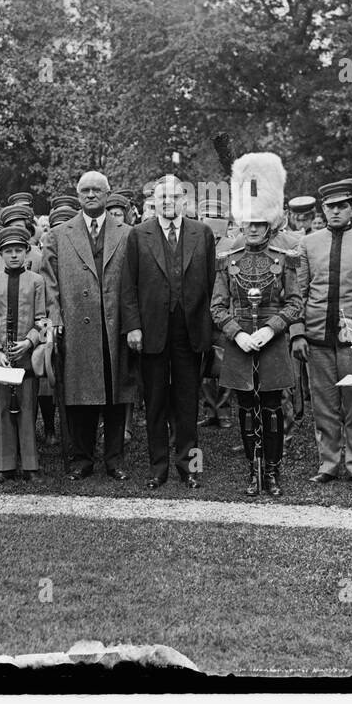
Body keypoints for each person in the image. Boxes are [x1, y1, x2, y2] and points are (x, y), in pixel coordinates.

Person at [210, 152, 302, 496]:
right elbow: (217, 308)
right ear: (240, 224)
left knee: (273, 412)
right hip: (239, 347)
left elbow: (296, 303)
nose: (252, 229)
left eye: (259, 224)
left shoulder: (285, 260)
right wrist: (237, 334)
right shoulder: (226, 260)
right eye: (248, 223)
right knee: (247, 412)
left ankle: (274, 472)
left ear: (271, 225)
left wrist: (269, 328)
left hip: (273, 344)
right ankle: (254, 471)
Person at [289, 180, 352, 486]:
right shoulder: (307, 244)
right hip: (316, 338)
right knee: (324, 404)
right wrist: (297, 332)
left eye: (341, 206)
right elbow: (297, 292)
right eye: (329, 207)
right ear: (323, 209)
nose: (334, 211)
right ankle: (329, 463)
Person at [122, 174, 217, 490]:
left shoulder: (201, 234)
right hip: (151, 331)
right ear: (153, 203)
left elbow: (211, 283)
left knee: (189, 402)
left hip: (190, 331)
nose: (168, 203)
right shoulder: (138, 235)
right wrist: (133, 326)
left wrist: (208, 326)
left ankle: (191, 468)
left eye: (174, 197)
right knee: (156, 401)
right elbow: (128, 287)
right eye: (162, 198)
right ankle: (157, 468)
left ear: (184, 201)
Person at [41, 170, 137, 481]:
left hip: (114, 326)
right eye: (85, 190)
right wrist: (55, 318)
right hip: (77, 327)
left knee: (115, 395)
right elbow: (49, 282)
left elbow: (135, 281)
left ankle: (114, 459)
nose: (91, 195)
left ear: (108, 196)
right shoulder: (60, 234)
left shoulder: (127, 233)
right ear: (78, 194)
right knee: (79, 396)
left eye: (97, 190)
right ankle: (81, 458)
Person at [0, 225, 48, 483]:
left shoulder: (36, 281)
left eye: (19, 250)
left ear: (27, 252)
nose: (14, 256)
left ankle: (31, 466)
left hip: (26, 358)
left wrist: (28, 343)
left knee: (28, 411)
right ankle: (4, 466)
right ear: (0, 254)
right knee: (2, 411)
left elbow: (43, 320)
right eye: (8, 251)